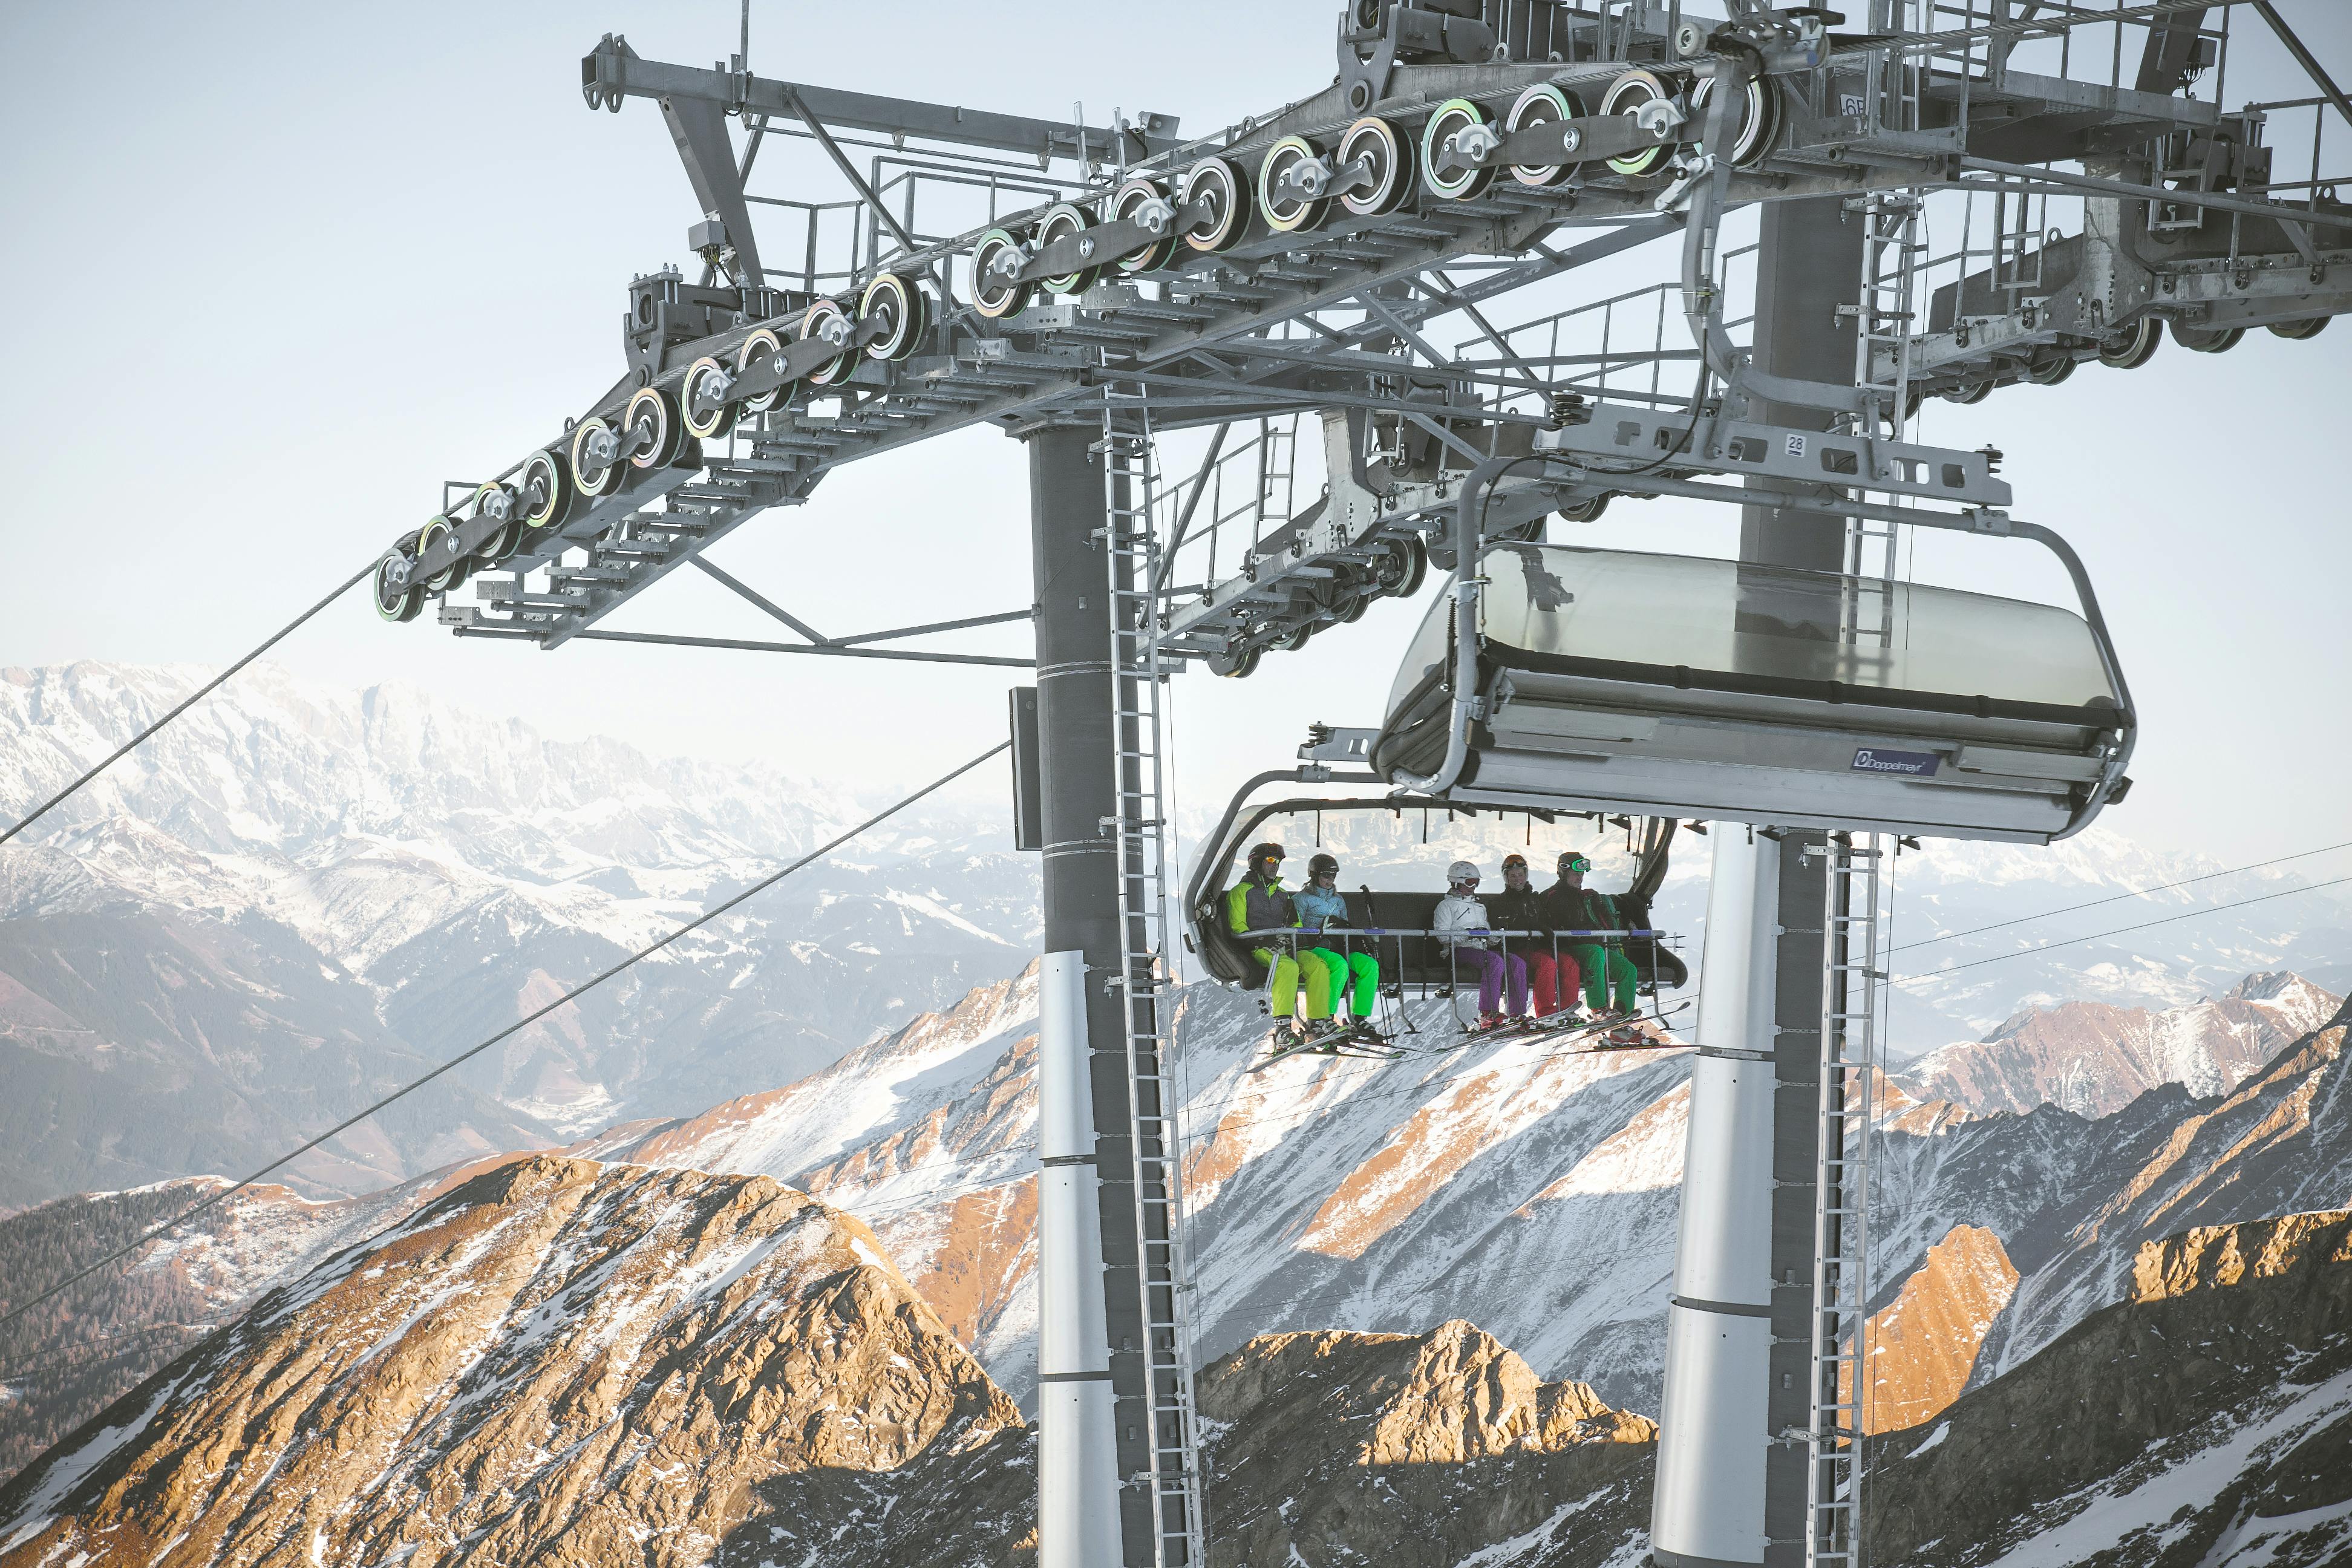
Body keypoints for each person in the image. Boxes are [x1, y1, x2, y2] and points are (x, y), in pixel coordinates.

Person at [1224, 842, 1334, 1036]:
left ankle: (1317, 1021)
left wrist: (1288, 940)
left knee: (1319, 966)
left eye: (1277, 861)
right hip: (1259, 949)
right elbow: (1238, 928)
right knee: (1287, 967)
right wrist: (1264, 942)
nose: (1275, 865)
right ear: (1257, 862)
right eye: (1270, 860)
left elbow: (1296, 926)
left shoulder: (1283, 895)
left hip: (1286, 946)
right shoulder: (1241, 892)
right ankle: (1283, 1028)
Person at [1543, 851, 1639, 1023]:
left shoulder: (1587, 897)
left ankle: (1622, 1014)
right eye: (1575, 874)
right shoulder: (1551, 897)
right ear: (1563, 872)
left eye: (1581, 874)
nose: (1579, 878)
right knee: (1596, 953)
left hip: (1593, 947)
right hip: (1568, 947)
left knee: (1628, 969)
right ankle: (1599, 1009)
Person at [1433, 860, 1527, 1028]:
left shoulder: (1479, 907)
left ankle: (1517, 1013)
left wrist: (1497, 934)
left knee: (1516, 962)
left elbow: (1489, 937)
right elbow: (1442, 936)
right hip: (1458, 951)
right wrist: (1467, 936)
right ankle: (1488, 1013)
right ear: (1456, 882)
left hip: (1480, 949)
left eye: (1476, 882)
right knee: (1494, 962)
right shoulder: (1446, 906)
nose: (1473, 887)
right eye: (1469, 882)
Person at [1488, 852, 1578, 1019]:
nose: (1518, 880)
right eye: (1513, 876)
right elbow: (1505, 924)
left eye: (1520, 875)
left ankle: (1567, 1010)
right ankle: (1545, 1013)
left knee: (1569, 963)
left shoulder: (1535, 900)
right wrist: (1534, 926)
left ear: (1526, 875)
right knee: (1548, 964)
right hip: (1518, 950)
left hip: (1539, 948)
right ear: (1506, 879)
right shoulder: (1500, 902)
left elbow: (1546, 921)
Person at [1296, 852, 1379, 1029]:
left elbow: (1344, 926)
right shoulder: (1301, 900)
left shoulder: (1338, 900)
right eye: (1326, 875)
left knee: (1370, 965)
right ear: (1314, 875)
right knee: (1339, 965)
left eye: (1333, 875)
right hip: (1315, 947)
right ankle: (1326, 1016)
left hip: (1339, 945)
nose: (1330, 879)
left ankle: (1359, 1018)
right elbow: (1296, 928)